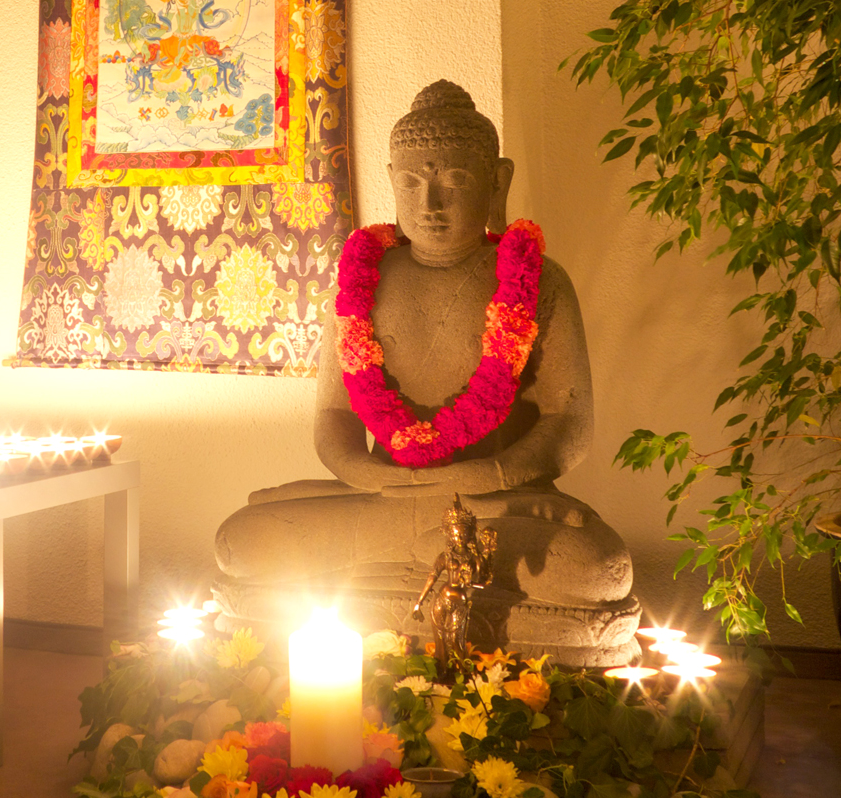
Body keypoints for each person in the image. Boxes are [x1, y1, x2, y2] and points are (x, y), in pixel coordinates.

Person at [214, 81, 638, 661]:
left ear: (496, 182)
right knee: (238, 543)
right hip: (382, 498)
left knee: (598, 568)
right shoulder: (362, 282)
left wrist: (492, 473)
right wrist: (369, 476)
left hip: (492, 505)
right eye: (411, 184)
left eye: (454, 182)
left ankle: (397, 574)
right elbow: (334, 417)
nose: (430, 204)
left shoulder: (538, 281)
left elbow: (569, 422)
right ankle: (424, 564)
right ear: (391, 180)